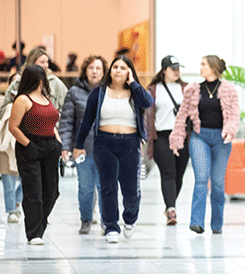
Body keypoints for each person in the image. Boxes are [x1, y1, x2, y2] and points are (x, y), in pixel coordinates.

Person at [73, 55, 153, 244]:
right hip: (104, 143)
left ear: (129, 72)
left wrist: (133, 84)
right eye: (115, 67)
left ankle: (130, 219)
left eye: (123, 67)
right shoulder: (99, 92)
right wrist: (78, 145)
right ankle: (111, 226)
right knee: (107, 186)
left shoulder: (135, 92)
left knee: (130, 189)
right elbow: (87, 121)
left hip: (130, 143)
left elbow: (147, 102)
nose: (117, 70)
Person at [168, 55, 239, 235]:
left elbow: (234, 114)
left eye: (203, 64)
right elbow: (182, 115)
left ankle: (217, 224)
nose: (200, 67)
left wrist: (230, 130)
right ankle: (196, 222)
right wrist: (177, 138)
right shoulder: (193, 89)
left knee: (217, 183)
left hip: (222, 139)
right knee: (201, 179)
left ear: (213, 67)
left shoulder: (229, 89)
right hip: (200, 137)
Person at [2, 47, 68, 224]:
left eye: (47, 62)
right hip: (24, 139)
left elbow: (64, 107)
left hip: (50, 140)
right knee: (16, 177)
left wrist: (60, 141)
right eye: (42, 62)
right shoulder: (18, 84)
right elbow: (7, 108)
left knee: (49, 189)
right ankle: (21, 215)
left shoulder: (55, 84)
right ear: (32, 64)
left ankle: (39, 217)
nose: (46, 66)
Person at [7, 65, 62, 245]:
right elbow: (13, 127)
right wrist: (29, 145)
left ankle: (40, 224)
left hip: (50, 146)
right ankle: (34, 233)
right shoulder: (23, 99)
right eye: (42, 77)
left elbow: (52, 123)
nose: (44, 80)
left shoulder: (46, 98)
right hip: (29, 146)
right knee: (34, 192)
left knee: (52, 191)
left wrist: (58, 142)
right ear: (35, 79)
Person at [58, 55, 108, 234]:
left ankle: (107, 221)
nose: (94, 71)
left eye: (98, 68)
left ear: (104, 72)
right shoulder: (74, 92)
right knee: (85, 188)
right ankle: (86, 219)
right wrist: (65, 146)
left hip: (107, 149)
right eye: (91, 68)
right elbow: (66, 122)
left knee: (105, 188)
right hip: (83, 150)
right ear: (85, 71)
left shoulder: (110, 91)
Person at [146, 55, 189, 226]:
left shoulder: (186, 88)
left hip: (183, 136)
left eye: (178, 68)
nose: (176, 71)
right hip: (161, 136)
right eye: (173, 68)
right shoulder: (153, 89)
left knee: (179, 175)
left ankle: (170, 205)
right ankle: (171, 209)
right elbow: (146, 114)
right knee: (168, 172)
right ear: (164, 70)